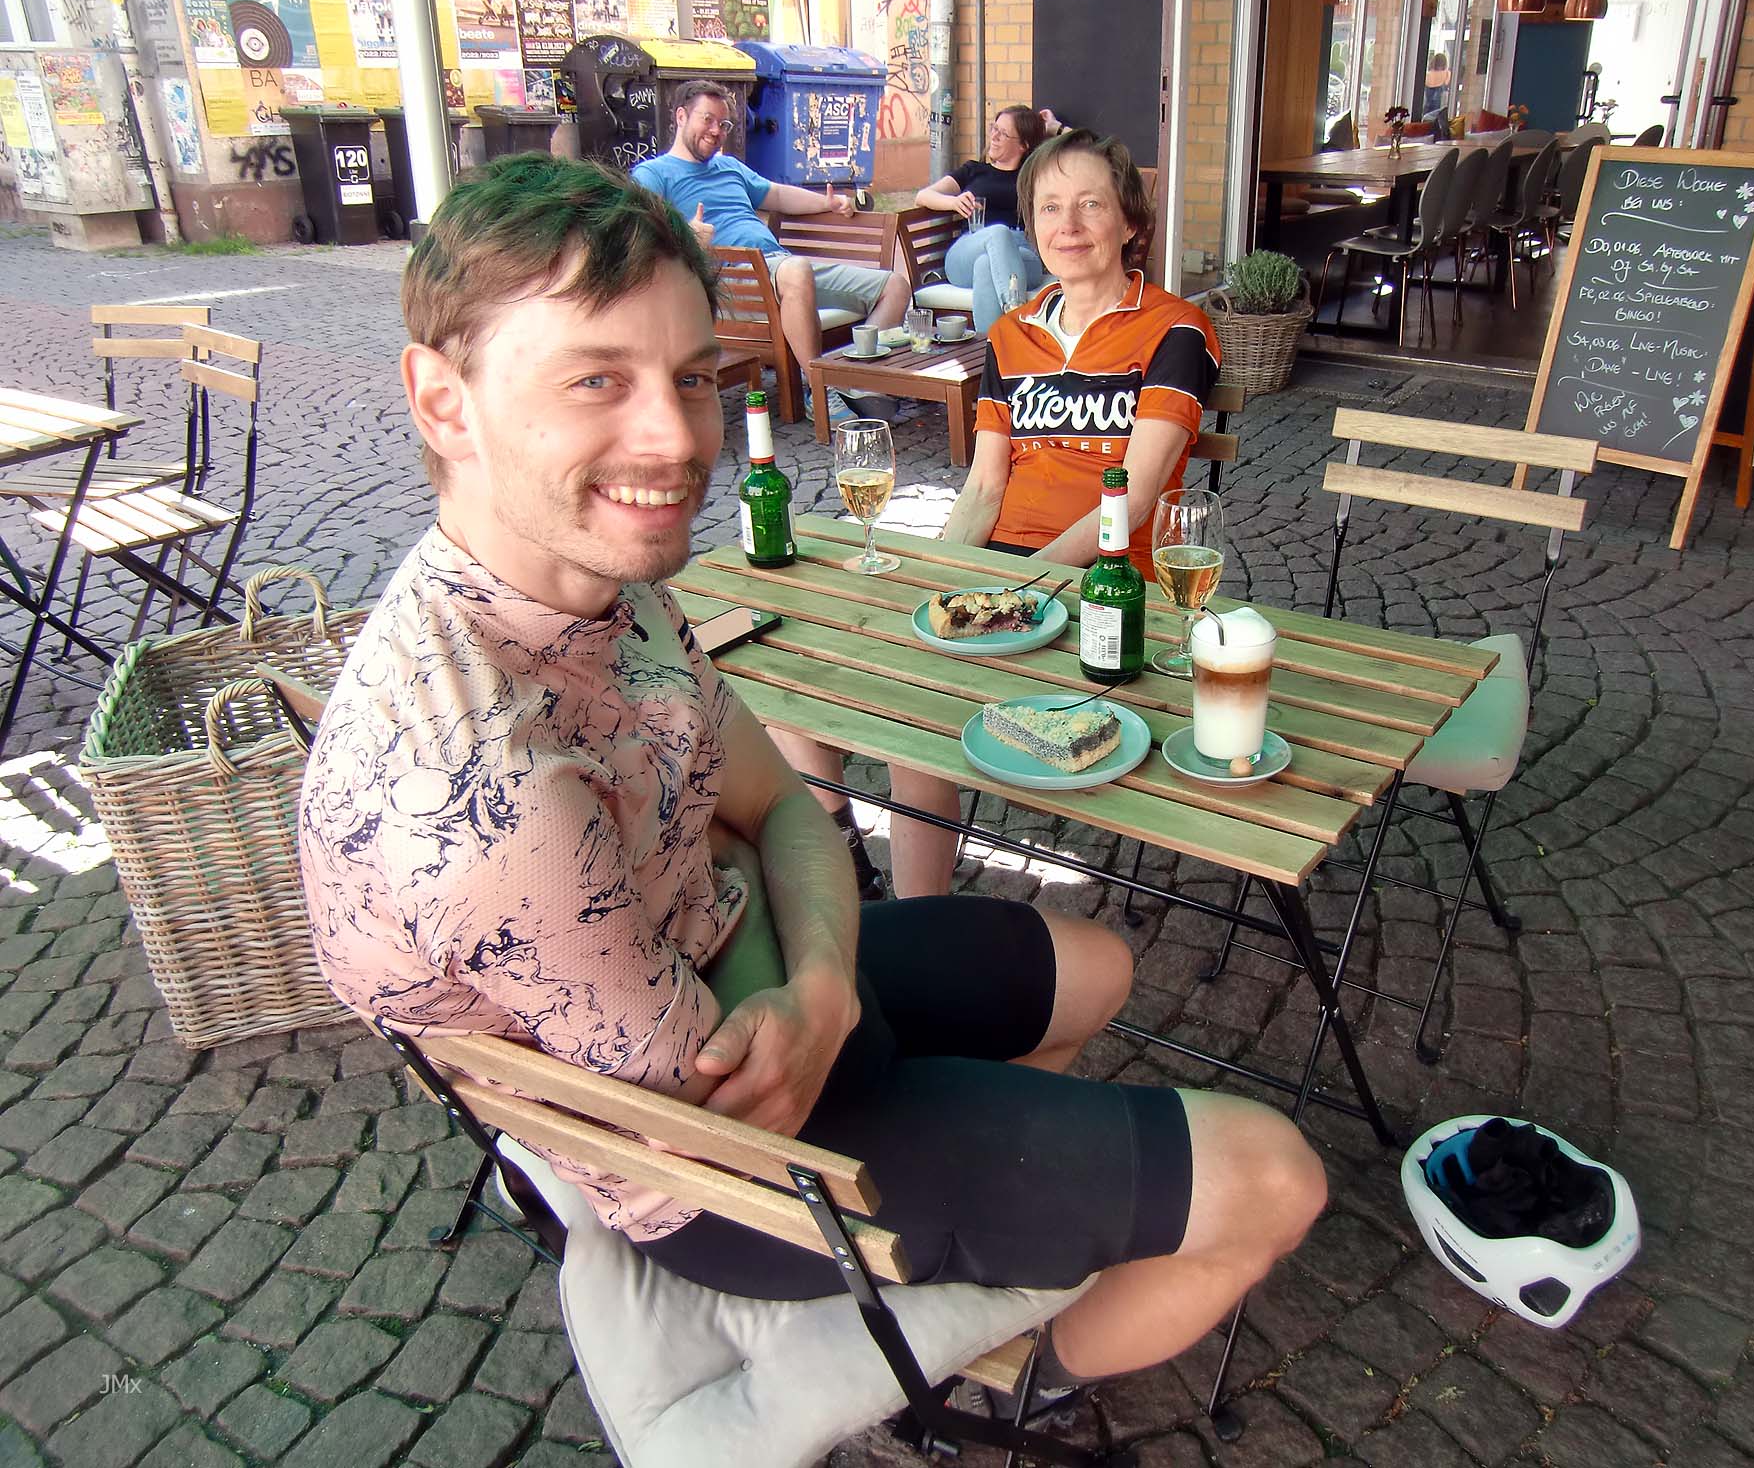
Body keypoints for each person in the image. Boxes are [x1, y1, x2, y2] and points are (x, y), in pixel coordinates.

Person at [295, 152, 1324, 1413]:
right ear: (443, 403)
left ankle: (990, 1209)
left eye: (689, 376)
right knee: (1275, 1176)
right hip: (722, 1179)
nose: (675, 439)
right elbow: (728, 1102)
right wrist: (765, 901)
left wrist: (819, 984)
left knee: (1098, 964)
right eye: (595, 380)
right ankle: (1012, 1376)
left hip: (776, 976)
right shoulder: (483, 792)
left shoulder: (596, 581)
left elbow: (779, 802)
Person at [778, 128, 1218, 900]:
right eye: (1049, 207)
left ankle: (919, 922)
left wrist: (1019, 588)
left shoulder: (1176, 329)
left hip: (1107, 589)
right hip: (1002, 576)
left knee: (915, 722)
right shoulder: (1010, 336)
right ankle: (853, 871)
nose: (1068, 225)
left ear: (1129, 221)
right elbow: (984, 489)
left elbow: (1137, 498)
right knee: (799, 676)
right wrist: (932, 575)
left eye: (1091, 205)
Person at [631, 80, 911, 426]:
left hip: (778, 268)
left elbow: (776, 195)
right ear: (681, 117)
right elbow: (642, 235)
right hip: (733, 282)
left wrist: (827, 203)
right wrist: (685, 236)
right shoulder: (653, 174)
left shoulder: (729, 167)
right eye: (707, 120)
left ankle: (851, 382)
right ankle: (819, 389)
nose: (716, 131)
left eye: (724, 124)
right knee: (796, 269)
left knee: (895, 286)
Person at [911, 105, 1049, 334]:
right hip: (968, 250)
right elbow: (923, 196)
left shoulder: (1035, 178)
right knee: (998, 232)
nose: (994, 136)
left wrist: (1055, 128)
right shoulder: (973, 171)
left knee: (986, 264)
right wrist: (954, 202)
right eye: (995, 128)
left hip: (1022, 254)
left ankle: (990, 346)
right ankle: (1015, 312)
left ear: (1023, 145)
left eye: (1003, 133)